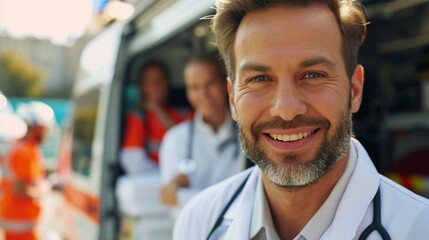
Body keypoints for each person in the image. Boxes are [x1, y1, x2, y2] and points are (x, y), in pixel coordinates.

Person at [173, 1, 429, 239]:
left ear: (355, 91)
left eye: (313, 75)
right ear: (232, 100)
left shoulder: (420, 227)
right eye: (260, 79)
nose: (286, 109)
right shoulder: (199, 221)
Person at [159, 56, 247, 214]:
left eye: (210, 84)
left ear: (227, 85)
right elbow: (170, 200)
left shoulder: (248, 134)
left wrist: (185, 197)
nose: (203, 94)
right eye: (194, 87)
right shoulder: (176, 139)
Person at [120, 60, 191, 174]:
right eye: (149, 81)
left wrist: (158, 111)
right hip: (154, 182)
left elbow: (189, 146)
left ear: (167, 84)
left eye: (160, 79)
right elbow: (133, 162)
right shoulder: (138, 118)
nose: (155, 85)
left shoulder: (185, 113)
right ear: (142, 86)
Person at [0, 101, 54, 240]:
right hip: (21, 219)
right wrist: (45, 190)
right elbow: (20, 188)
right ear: (34, 127)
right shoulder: (26, 152)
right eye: (43, 128)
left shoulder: (18, 145)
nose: (45, 132)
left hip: (14, 216)